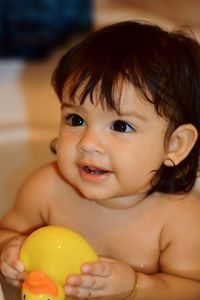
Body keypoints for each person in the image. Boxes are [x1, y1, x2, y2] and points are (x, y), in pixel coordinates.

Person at [0, 20, 200, 300]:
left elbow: (192, 290)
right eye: (76, 119)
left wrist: (135, 286)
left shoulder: (180, 220)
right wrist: (10, 249)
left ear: (175, 146)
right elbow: (6, 231)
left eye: (120, 126)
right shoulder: (47, 188)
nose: (88, 143)